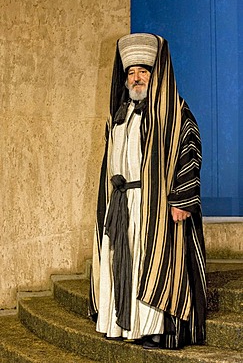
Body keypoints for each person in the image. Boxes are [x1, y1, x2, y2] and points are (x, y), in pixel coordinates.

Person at [89, 33, 206, 350]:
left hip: (154, 204)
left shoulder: (174, 112)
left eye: (143, 71)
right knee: (124, 259)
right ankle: (121, 323)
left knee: (149, 262)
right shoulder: (121, 113)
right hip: (122, 201)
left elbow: (189, 150)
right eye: (131, 72)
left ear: (155, 74)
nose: (137, 77)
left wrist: (182, 199)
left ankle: (154, 327)